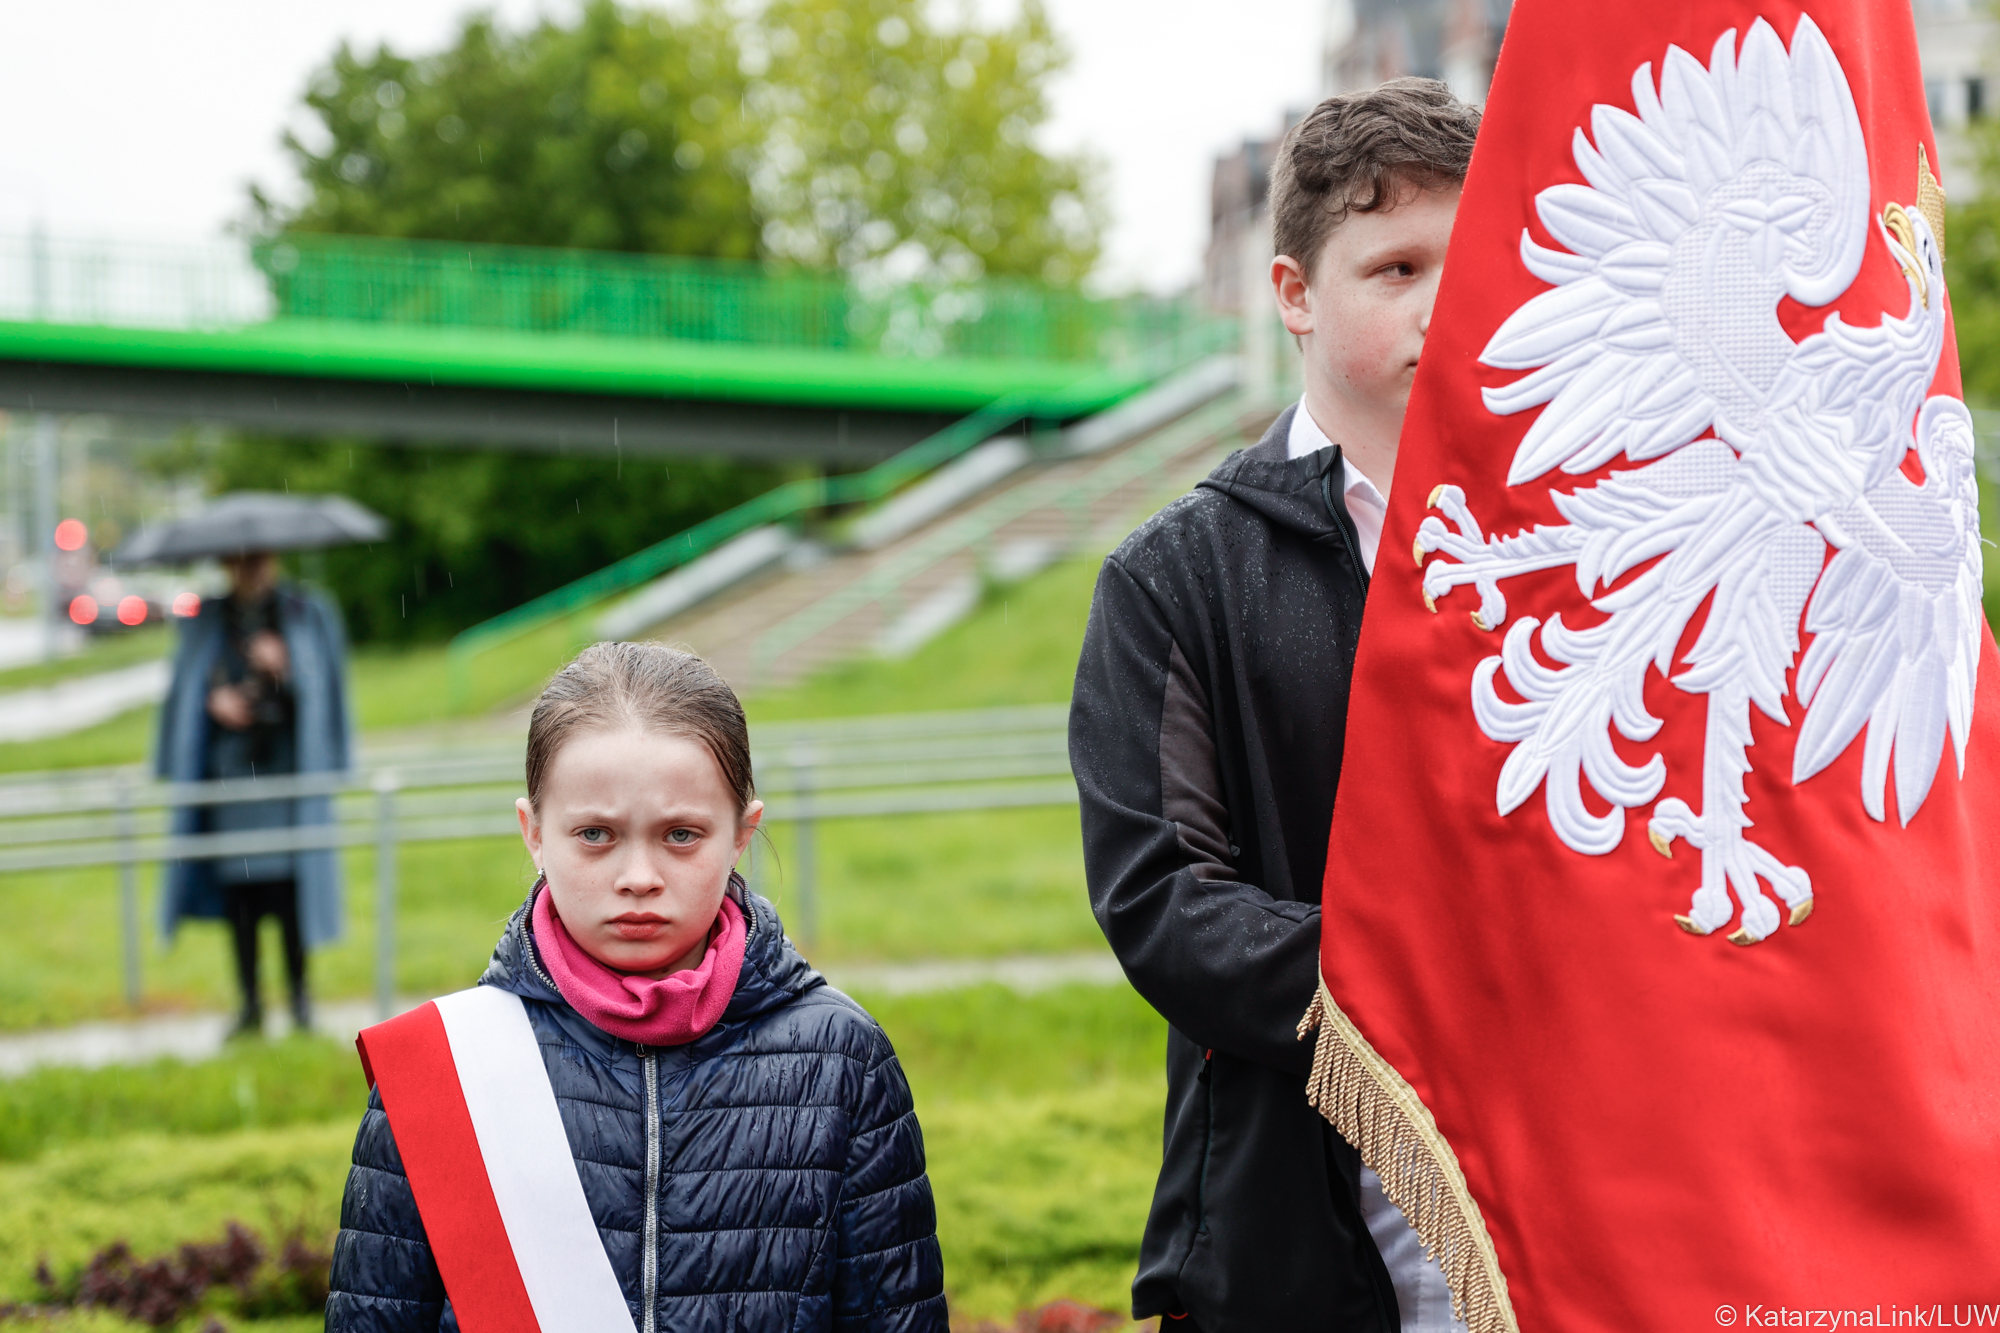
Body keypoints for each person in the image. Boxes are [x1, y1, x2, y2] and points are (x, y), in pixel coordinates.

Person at [1067, 80, 1478, 1332]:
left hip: (1563, 1205)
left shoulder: (1588, 545)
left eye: (1470, 264)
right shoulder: (1174, 576)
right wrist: (1446, 982)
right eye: (1395, 268)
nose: (1442, 304)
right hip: (1286, 1234)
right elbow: (1163, 901)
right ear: (1293, 294)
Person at [326, 641, 946, 1332]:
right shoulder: (442, 1069)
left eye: (681, 834)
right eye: (596, 834)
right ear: (534, 832)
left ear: (742, 833)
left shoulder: (842, 1058)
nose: (639, 877)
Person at [157, 549, 350, 1037]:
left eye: (259, 559)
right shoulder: (207, 618)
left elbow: (325, 690)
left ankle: (300, 1001)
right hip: (230, 779)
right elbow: (186, 690)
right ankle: (250, 1005)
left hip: (288, 778)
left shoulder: (305, 612)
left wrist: (284, 668)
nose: (251, 569)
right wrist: (214, 701)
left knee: (289, 893)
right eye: (241, 561)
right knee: (240, 896)